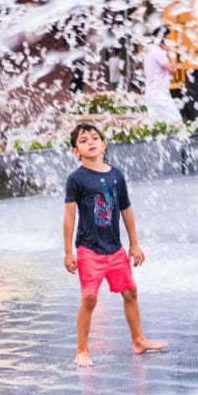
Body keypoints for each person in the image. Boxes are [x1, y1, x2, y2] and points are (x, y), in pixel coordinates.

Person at [63, 123, 168, 367]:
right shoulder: (76, 179)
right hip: (89, 248)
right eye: (83, 140)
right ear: (75, 151)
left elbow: (126, 209)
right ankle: (81, 350)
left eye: (94, 138)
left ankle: (138, 340)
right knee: (89, 299)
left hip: (115, 248)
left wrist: (134, 244)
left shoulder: (116, 175)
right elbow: (69, 216)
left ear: (104, 144)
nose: (90, 142)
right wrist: (69, 251)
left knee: (130, 291)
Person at [142, 29, 183, 125]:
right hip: (159, 94)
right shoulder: (158, 52)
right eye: (167, 38)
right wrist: (171, 53)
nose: (169, 42)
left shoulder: (149, 50)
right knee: (177, 122)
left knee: (158, 127)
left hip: (151, 94)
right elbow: (173, 69)